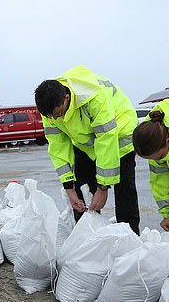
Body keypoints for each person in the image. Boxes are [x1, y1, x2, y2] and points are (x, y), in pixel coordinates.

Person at [34, 65, 140, 234]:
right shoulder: (49, 109)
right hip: (85, 142)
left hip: (119, 133)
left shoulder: (94, 98)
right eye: (50, 116)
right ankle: (86, 238)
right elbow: (58, 146)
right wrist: (69, 188)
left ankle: (130, 239)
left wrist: (103, 188)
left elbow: (106, 140)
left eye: (58, 114)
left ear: (67, 98)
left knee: (124, 191)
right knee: (81, 187)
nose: (55, 119)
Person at [132, 99, 169, 232]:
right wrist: (167, 214)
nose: (159, 160)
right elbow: (161, 181)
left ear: (168, 141)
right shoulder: (155, 139)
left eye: (161, 156)